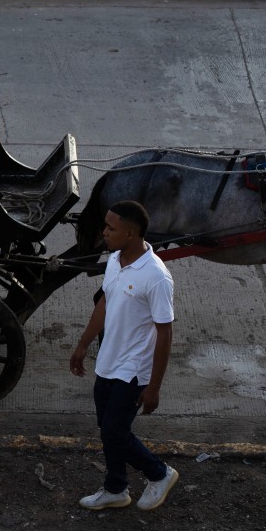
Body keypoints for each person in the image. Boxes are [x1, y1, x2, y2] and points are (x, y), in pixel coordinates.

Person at [70, 199, 179, 512]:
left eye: (110, 228)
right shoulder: (116, 260)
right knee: (108, 429)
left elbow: (165, 333)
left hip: (134, 371)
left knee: (114, 431)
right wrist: (83, 344)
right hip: (108, 362)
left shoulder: (156, 276)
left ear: (131, 233)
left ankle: (160, 474)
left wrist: (154, 387)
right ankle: (116, 488)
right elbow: (105, 302)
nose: (104, 232)